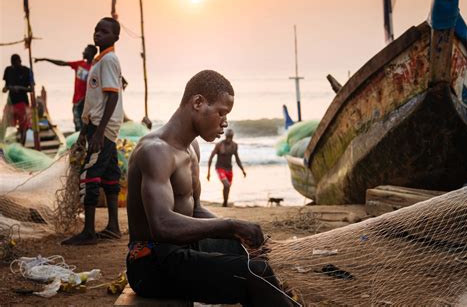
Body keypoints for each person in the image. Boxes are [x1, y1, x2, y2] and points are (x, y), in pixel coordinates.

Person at [126, 70, 294, 306]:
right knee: (254, 273)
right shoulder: (156, 151)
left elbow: (195, 210)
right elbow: (161, 225)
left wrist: (238, 233)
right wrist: (231, 225)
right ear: (198, 102)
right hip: (151, 262)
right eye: (221, 112)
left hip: (182, 248)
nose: (225, 122)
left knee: (254, 253)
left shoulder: (191, 147)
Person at [62, 17, 124, 245]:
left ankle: (89, 232)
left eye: (104, 31)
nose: (98, 34)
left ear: (115, 37)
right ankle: (114, 227)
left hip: (103, 128)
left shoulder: (108, 60)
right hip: (97, 125)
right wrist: (83, 132)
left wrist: (98, 132)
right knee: (110, 176)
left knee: (89, 174)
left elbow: (113, 96)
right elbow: (95, 101)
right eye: (97, 30)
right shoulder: (99, 60)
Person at [34, 44, 97, 131]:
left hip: (86, 102)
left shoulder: (95, 67)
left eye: (85, 50)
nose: (83, 52)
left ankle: (84, 142)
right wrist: (45, 59)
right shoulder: (79, 64)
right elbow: (62, 63)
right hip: (76, 101)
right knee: (77, 124)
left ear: (90, 53)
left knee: (85, 125)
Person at [207, 128, 246, 207]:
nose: (229, 139)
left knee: (227, 187)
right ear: (225, 136)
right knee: (226, 185)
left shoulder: (234, 145)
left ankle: (225, 203)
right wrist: (208, 172)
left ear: (232, 137)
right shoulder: (219, 145)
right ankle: (225, 203)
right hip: (220, 168)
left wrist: (242, 170)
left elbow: (237, 159)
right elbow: (211, 158)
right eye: (227, 137)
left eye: (230, 137)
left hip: (229, 169)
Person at [2, 54, 33, 144]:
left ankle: (23, 145)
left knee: (25, 126)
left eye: (15, 63)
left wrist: (19, 88)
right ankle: (12, 144)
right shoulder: (8, 70)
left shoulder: (27, 71)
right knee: (10, 126)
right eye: (12, 64)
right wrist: (6, 89)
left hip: (22, 102)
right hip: (11, 103)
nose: (14, 66)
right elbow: (6, 86)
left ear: (20, 61)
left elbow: (31, 89)